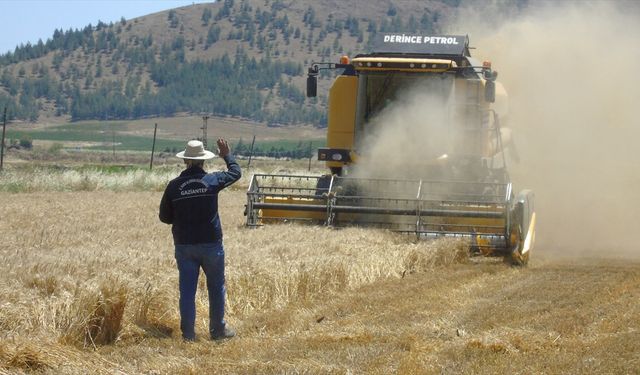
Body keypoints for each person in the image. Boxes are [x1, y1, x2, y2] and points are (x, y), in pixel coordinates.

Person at [159, 138, 241, 341]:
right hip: (211, 244)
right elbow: (236, 173)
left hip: (184, 245)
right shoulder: (212, 181)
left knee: (187, 291)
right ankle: (218, 331)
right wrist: (227, 155)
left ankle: (188, 335)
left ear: (185, 161)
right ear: (203, 161)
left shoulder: (174, 186)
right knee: (216, 287)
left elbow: (164, 217)